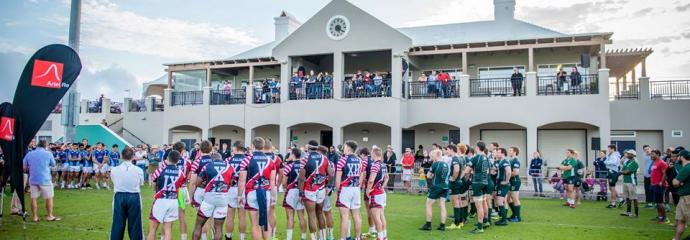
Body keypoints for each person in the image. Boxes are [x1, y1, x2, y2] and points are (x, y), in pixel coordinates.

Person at [238, 137, 276, 240]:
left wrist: (239, 196)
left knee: (255, 224)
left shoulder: (246, 159)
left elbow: (241, 181)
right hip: (265, 192)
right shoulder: (270, 160)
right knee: (266, 222)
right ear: (263, 146)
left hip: (252, 193)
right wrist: (273, 196)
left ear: (252, 147)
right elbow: (272, 181)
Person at [193, 153, 233, 240]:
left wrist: (205, 184)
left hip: (209, 198)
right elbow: (231, 182)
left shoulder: (207, 166)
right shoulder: (229, 166)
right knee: (218, 228)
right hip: (223, 199)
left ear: (212, 159)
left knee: (198, 225)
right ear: (221, 159)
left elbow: (197, 182)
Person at [298, 140, 333, 240]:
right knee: (320, 213)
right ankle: (322, 238)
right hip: (321, 188)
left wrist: (300, 192)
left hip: (309, 189)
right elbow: (331, 174)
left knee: (311, 215)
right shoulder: (324, 157)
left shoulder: (305, 158)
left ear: (308, 147)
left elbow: (301, 177)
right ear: (317, 147)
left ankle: (314, 238)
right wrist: (328, 187)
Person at [148, 150, 186, 240]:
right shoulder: (181, 172)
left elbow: (153, 186)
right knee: (168, 229)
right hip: (173, 201)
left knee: (152, 229)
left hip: (161, 200)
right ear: (177, 161)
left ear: (167, 158)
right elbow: (181, 187)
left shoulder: (160, 170)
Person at [110, 147, 145, 240]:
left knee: (118, 223)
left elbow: (113, 181)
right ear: (133, 157)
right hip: (133, 196)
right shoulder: (138, 170)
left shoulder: (114, 170)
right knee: (135, 224)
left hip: (120, 195)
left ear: (121, 156)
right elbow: (141, 183)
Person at [22, 140, 60, 222]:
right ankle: (49, 216)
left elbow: (24, 167)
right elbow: (53, 164)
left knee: (33, 198)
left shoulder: (30, 153)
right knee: (49, 197)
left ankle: (35, 217)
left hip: (33, 178)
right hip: (45, 178)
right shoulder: (48, 153)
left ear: (38, 145)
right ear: (45, 145)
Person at [336, 140, 363, 240]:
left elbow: (338, 179)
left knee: (344, 217)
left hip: (345, 189)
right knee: (356, 215)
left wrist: (338, 191)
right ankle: (357, 238)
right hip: (355, 189)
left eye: (344, 146)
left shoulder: (342, 160)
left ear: (348, 148)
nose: (343, 148)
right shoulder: (360, 160)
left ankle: (343, 238)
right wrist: (358, 186)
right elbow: (361, 175)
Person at [189, 141, 214, 240]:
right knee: (212, 218)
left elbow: (192, 182)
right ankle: (213, 237)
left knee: (201, 218)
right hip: (212, 191)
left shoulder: (196, 162)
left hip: (200, 191)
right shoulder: (215, 161)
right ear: (211, 149)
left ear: (200, 150)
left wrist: (190, 197)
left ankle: (204, 238)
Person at [419, 149, 449, 231]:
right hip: (445, 186)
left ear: (436, 155)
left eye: (432, 156)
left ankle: (428, 225)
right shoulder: (446, 164)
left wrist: (432, 175)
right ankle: (442, 225)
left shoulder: (436, 164)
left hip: (436, 186)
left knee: (428, 204)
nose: (431, 158)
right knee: (442, 205)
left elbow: (428, 175)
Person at [282, 148, 307, 240]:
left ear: (293, 155)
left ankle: (289, 238)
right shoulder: (304, 165)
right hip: (301, 191)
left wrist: (285, 189)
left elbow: (284, 182)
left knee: (290, 216)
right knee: (301, 216)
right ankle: (303, 237)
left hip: (291, 191)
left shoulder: (289, 166)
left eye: (290, 154)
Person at [465, 142, 490, 234]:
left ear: (477, 147)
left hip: (477, 182)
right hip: (485, 181)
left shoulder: (476, 157)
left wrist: (469, 171)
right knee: (484, 202)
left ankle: (480, 227)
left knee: (478, 205)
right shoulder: (486, 157)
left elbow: (467, 170)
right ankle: (486, 221)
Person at [225, 141, 247, 240]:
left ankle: (228, 237)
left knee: (230, 215)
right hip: (243, 189)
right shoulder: (248, 159)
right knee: (242, 215)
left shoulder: (228, 160)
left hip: (231, 189)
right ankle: (242, 238)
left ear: (236, 148)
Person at [365, 146, 388, 240]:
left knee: (376, 217)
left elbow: (371, 180)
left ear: (374, 154)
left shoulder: (375, 165)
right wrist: (382, 187)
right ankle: (384, 236)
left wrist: (367, 191)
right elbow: (387, 178)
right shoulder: (383, 165)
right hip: (382, 193)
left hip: (376, 193)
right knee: (382, 215)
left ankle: (380, 237)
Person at [672, 150, 690, 240]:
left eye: (678, 156)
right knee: (681, 220)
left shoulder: (687, 167)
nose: (676, 158)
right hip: (683, 198)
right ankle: (676, 238)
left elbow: (675, 182)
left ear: (682, 157)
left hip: (688, 198)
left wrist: (677, 181)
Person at [649, 149, 669, 224]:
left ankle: (665, 218)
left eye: (652, 154)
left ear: (658, 155)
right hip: (654, 184)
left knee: (660, 203)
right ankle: (660, 217)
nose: (651, 156)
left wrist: (661, 182)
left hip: (660, 185)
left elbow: (665, 174)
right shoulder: (654, 162)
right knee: (657, 203)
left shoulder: (662, 163)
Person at [619, 149, 639, 217]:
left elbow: (628, 171)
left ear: (633, 155)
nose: (627, 155)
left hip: (631, 182)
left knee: (634, 198)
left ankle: (636, 213)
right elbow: (623, 170)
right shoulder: (627, 162)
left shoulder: (635, 162)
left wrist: (620, 172)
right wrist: (622, 171)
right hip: (625, 181)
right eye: (627, 153)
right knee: (627, 197)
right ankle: (628, 212)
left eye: (629, 154)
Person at [507, 146, 522, 222]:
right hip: (511, 182)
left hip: (515, 181)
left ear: (515, 152)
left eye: (510, 150)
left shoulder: (516, 161)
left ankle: (518, 217)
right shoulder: (510, 160)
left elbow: (516, 172)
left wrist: (507, 175)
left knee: (515, 199)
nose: (509, 152)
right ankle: (514, 214)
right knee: (508, 199)